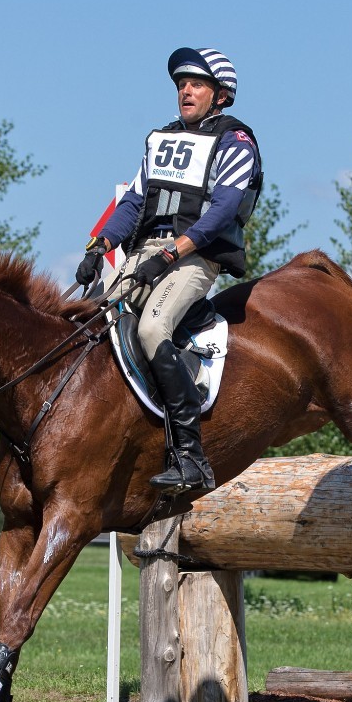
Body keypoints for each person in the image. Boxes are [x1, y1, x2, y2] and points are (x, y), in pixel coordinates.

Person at [76, 47, 262, 495]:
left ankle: (190, 458)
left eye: (196, 84)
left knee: (152, 328)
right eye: (181, 84)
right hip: (145, 252)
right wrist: (100, 245)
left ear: (221, 95)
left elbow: (222, 212)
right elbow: (133, 203)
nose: (185, 91)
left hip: (195, 255)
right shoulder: (161, 140)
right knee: (90, 322)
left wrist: (172, 254)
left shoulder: (236, 142)